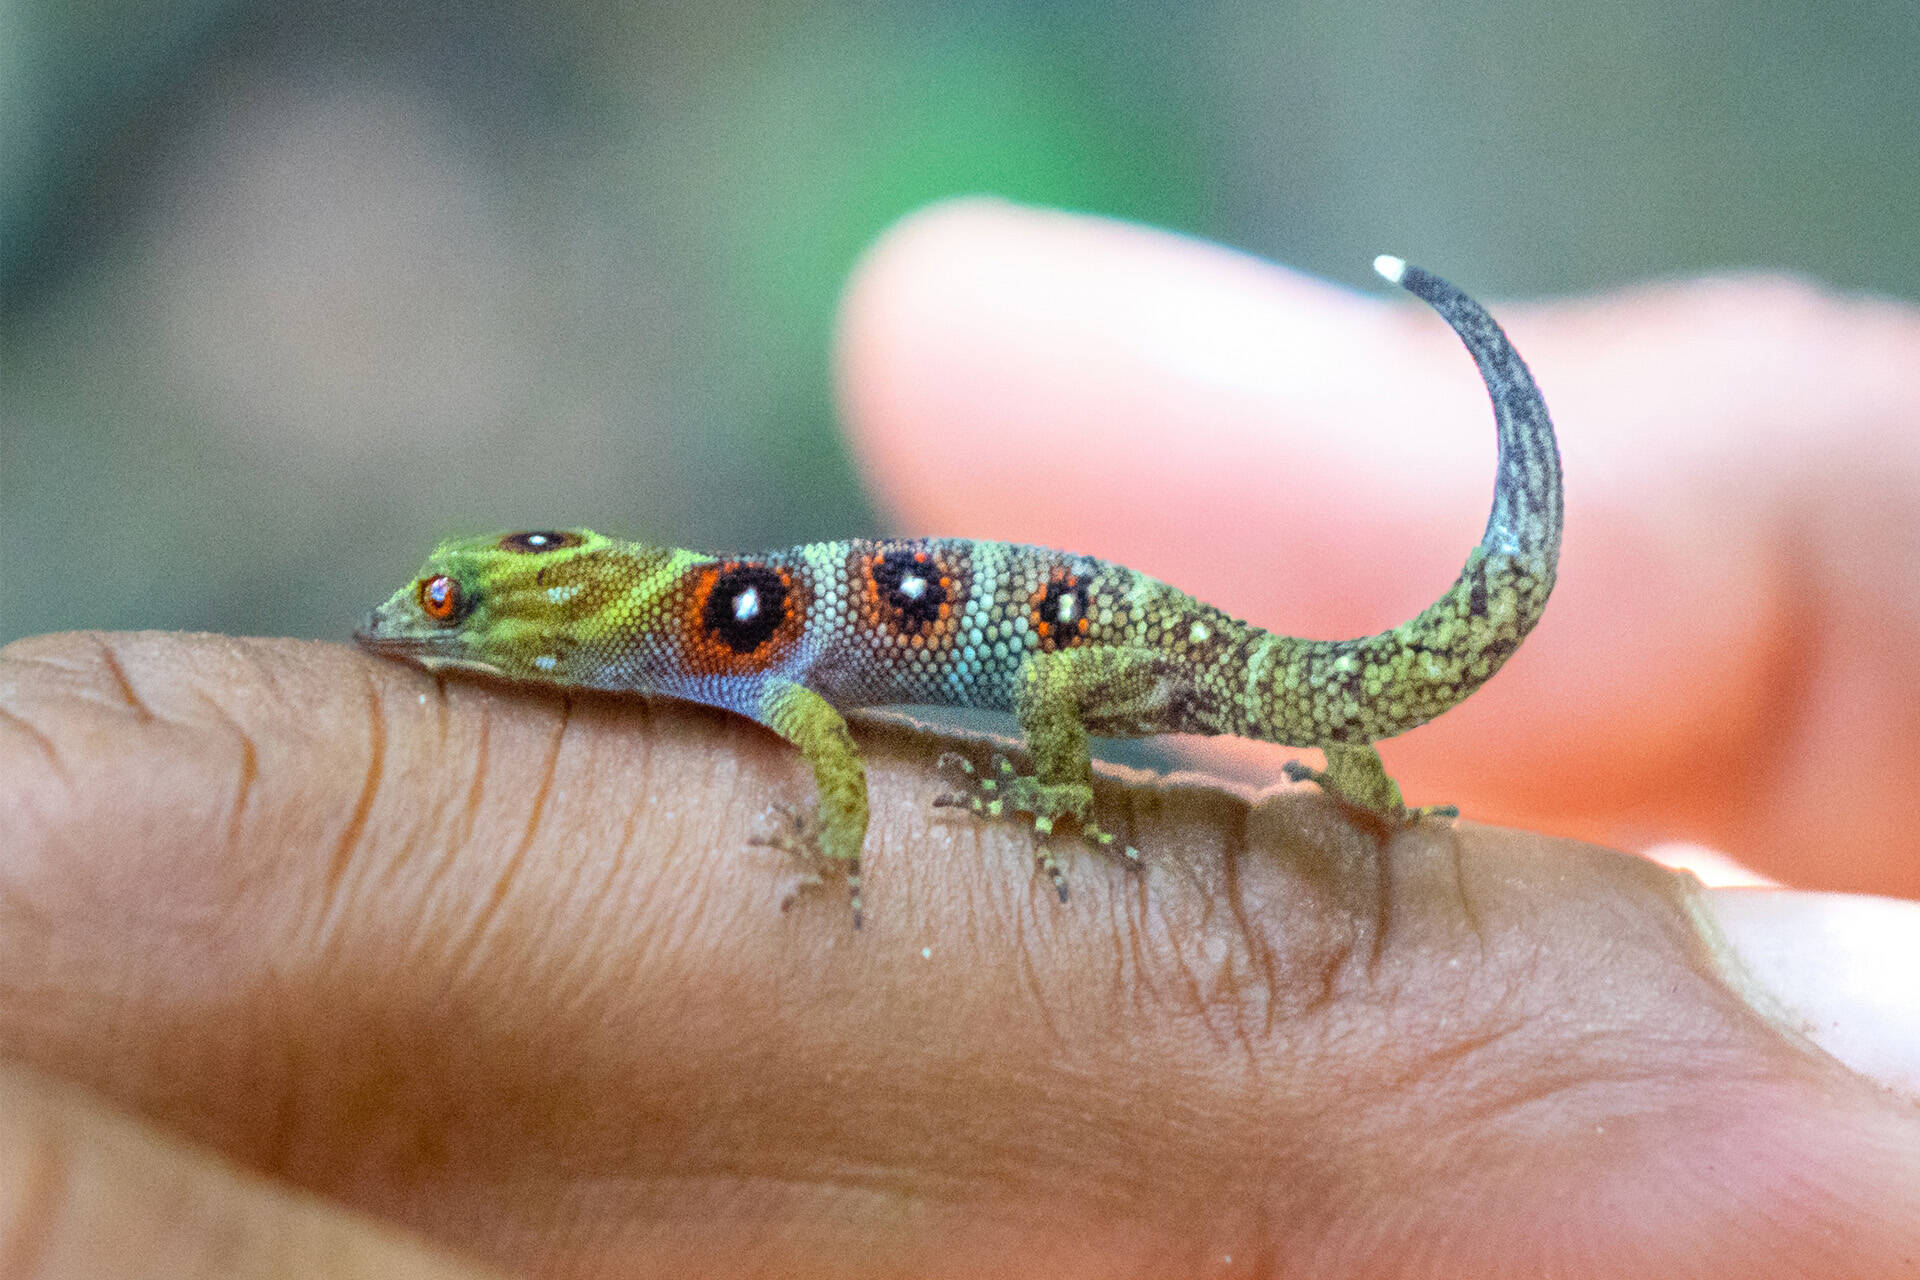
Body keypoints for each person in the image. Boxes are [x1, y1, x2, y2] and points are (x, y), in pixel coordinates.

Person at [2, 200, 1916, 1277]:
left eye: (464, 614)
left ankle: (1256, 776)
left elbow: (831, 762)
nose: (436, 635)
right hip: (1195, 660)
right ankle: (1365, 776)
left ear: (557, 617)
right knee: (1335, 741)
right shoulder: (696, 628)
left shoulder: (726, 654)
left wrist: (878, 843)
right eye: (449, 610)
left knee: (1211, 725)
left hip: (1123, 663)